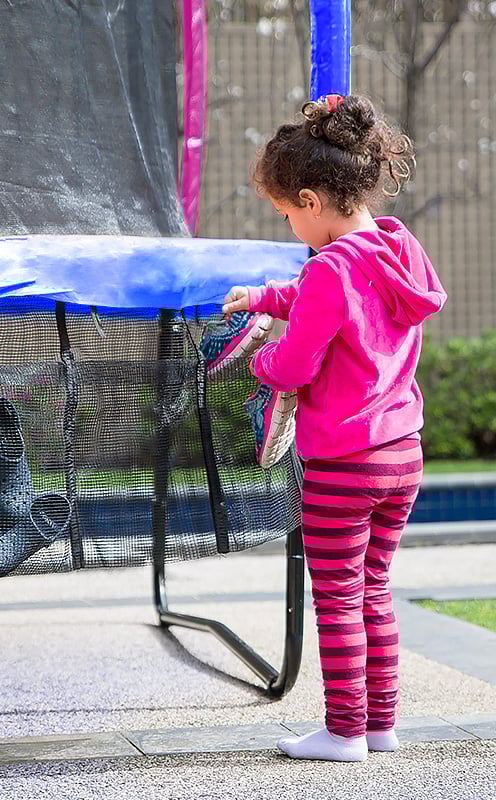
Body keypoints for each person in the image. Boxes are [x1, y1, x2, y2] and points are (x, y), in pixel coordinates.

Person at [222, 93, 447, 762]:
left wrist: (259, 356)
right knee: (374, 592)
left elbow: (294, 362)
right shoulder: (394, 247)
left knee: (338, 600)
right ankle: (381, 724)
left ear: (314, 202)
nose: (290, 224)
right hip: (401, 452)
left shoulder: (327, 269)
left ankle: (344, 730)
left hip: (344, 462)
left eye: (288, 214)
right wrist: (267, 295)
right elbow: (340, 297)